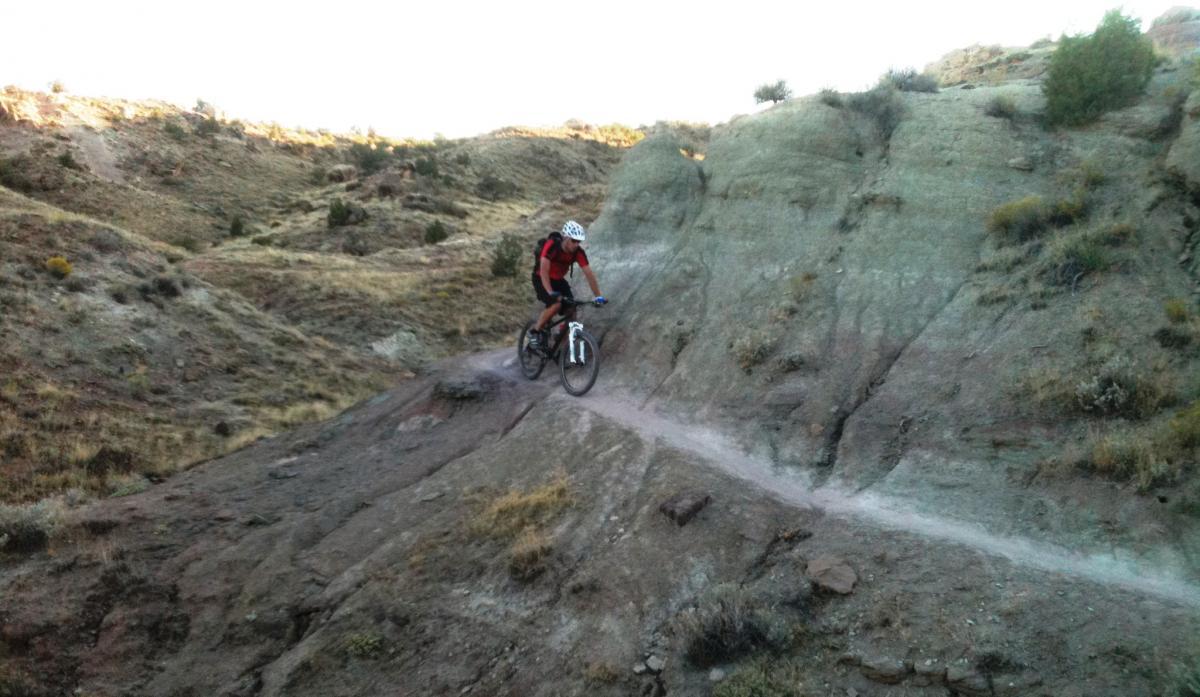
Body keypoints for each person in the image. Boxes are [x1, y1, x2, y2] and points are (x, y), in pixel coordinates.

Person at [529, 220, 605, 351]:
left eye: (578, 241)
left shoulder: (578, 252)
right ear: (566, 238)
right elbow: (543, 270)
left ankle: (562, 346)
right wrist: (550, 292)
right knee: (556, 304)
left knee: (572, 309)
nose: (576, 244)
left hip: (558, 281)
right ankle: (535, 333)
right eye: (574, 240)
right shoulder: (552, 245)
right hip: (541, 278)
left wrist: (598, 296)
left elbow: (589, 273)